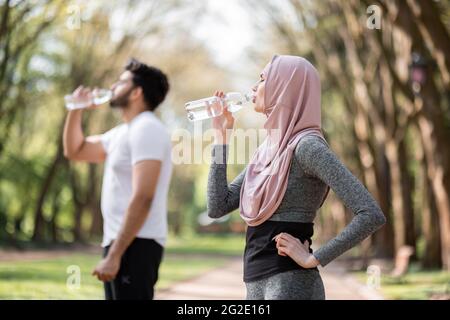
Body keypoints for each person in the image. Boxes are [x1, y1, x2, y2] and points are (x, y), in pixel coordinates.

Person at [207, 55, 386, 300]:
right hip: (255, 284)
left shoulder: (307, 147)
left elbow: (370, 214)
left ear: (285, 87)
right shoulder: (267, 152)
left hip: (291, 284)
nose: (252, 87)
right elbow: (218, 206)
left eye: (262, 79)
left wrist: (315, 257)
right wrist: (221, 138)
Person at [63, 58, 172, 300]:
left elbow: (143, 196)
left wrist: (115, 255)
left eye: (121, 82)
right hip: (119, 241)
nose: (112, 86)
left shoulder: (147, 128)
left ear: (136, 92)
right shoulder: (121, 133)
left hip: (137, 243)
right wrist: (76, 108)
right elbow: (75, 150)